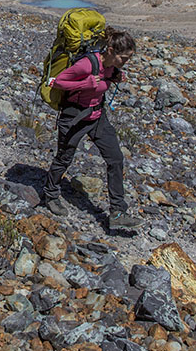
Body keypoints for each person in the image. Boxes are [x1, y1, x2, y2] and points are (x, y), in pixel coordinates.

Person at [41, 26, 140, 231]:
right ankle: (50, 195)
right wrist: (85, 84)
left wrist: (114, 77)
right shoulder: (87, 64)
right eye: (123, 58)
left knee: (115, 158)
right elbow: (57, 82)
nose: (125, 62)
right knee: (64, 158)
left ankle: (118, 211)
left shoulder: (111, 67)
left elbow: (103, 82)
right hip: (74, 117)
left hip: (97, 116)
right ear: (110, 51)